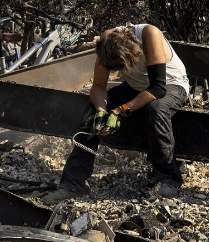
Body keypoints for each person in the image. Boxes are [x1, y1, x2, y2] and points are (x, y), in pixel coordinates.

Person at [44, 23, 189, 202]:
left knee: (156, 109)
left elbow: (158, 88)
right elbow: (98, 87)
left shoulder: (149, 34)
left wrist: (121, 110)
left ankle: (169, 178)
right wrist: (100, 111)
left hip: (171, 85)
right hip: (137, 86)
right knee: (91, 112)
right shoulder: (107, 43)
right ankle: (73, 184)